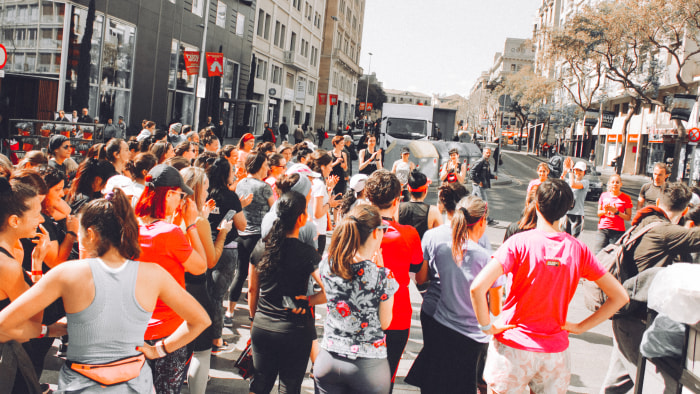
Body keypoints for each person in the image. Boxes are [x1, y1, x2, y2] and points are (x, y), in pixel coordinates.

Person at [0, 188, 210, 393]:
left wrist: (45, 331)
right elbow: (200, 320)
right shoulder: (153, 274)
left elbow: (4, 325)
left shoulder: (66, 273)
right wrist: (159, 350)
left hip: (82, 382)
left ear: (90, 234)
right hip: (135, 381)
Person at [470, 179, 629, 394]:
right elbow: (620, 297)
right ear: (567, 209)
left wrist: (487, 327)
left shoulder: (519, 243)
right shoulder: (579, 250)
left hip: (513, 347)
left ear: (536, 204)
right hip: (554, 352)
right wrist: (580, 327)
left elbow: (478, 287)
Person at [601, 182, 700, 393]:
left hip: (625, 316)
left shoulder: (646, 221)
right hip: (636, 321)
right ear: (683, 211)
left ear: (658, 202)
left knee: (615, 384)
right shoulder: (665, 231)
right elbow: (696, 238)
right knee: (664, 385)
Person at [408, 195, 503, 394]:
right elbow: (495, 308)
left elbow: (423, 278)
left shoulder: (443, 249)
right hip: (472, 336)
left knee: (434, 383)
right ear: (482, 221)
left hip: (441, 325)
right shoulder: (486, 259)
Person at [134, 164, 208, 393]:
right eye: (179, 194)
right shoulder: (170, 233)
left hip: (134, 327)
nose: (181, 200)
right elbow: (200, 266)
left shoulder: (129, 227)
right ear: (168, 194)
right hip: (168, 331)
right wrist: (192, 224)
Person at [313, 204, 398, 394]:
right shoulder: (383, 276)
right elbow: (385, 323)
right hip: (368, 366)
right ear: (376, 233)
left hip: (328, 357)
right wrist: (379, 269)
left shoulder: (328, 263)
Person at [248, 191, 325, 394]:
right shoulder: (308, 253)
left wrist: (253, 319)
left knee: (260, 384)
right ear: (301, 218)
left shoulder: (261, 246)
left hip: (262, 326)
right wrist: (310, 300)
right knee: (289, 387)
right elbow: (331, 289)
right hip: (296, 329)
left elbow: (252, 288)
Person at [364, 170, 423, 388]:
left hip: (358, 314)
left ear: (368, 199)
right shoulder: (408, 234)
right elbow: (418, 270)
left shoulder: (353, 230)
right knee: (385, 379)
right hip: (397, 315)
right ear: (397, 200)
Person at [205, 158, 249, 340]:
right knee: (218, 296)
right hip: (226, 248)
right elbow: (242, 225)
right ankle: (216, 339)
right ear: (225, 175)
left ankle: (203, 335)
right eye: (232, 171)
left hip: (204, 245)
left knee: (205, 293)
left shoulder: (205, 193)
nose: (234, 175)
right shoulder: (230, 197)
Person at [232, 153, 274, 321]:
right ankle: (255, 313)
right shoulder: (264, 187)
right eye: (265, 165)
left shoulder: (241, 182)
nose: (268, 168)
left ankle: (230, 310)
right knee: (258, 280)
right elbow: (274, 210)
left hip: (241, 233)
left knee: (240, 273)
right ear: (258, 166)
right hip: (258, 235)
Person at [308, 151, 342, 255]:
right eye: (330, 166)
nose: (331, 169)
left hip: (312, 230)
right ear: (322, 167)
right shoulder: (319, 184)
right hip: (317, 231)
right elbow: (317, 213)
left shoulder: (313, 181)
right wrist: (330, 204)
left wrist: (329, 189)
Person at [398, 170, 441, 239]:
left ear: (409, 189)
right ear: (425, 190)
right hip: (422, 249)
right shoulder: (433, 211)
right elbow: (438, 238)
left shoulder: (398, 209)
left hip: (402, 249)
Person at [595, 174, 633, 253]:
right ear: (609, 183)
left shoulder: (626, 198)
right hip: (603, 229)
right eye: (612, 182)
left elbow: (628, 217)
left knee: (612, 256)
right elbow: (598, 213)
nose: (615, 184)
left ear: (621, 184)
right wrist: (605, 211)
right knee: (598, 253)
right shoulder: (604, 195)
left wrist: (617, 212)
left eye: (617, 182)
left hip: (617, 231)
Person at [562, 158, 590, 238]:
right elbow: (559, 184)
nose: (577, 172)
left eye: (580, 171)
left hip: (577, 214)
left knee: (574, 238)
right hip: (567, 213)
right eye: (576, 170)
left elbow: (573, 185)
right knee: (565, 237)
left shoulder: (585, 182)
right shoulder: (568, 180)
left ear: (584, 172)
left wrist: (570, 171)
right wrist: (564, 172)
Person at [469, 147, 497, 225]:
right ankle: (487, 219)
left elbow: (486, 174)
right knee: (484, 202)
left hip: (478, 185)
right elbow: (472, 172)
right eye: (487, 153)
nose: (488, 154)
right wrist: (478, 182)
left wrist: (493, 176)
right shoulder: (480, 161)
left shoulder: (486, 162)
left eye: (489, 153)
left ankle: (466, 214)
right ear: (483, 153)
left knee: (471, 201)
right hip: (478, 186)